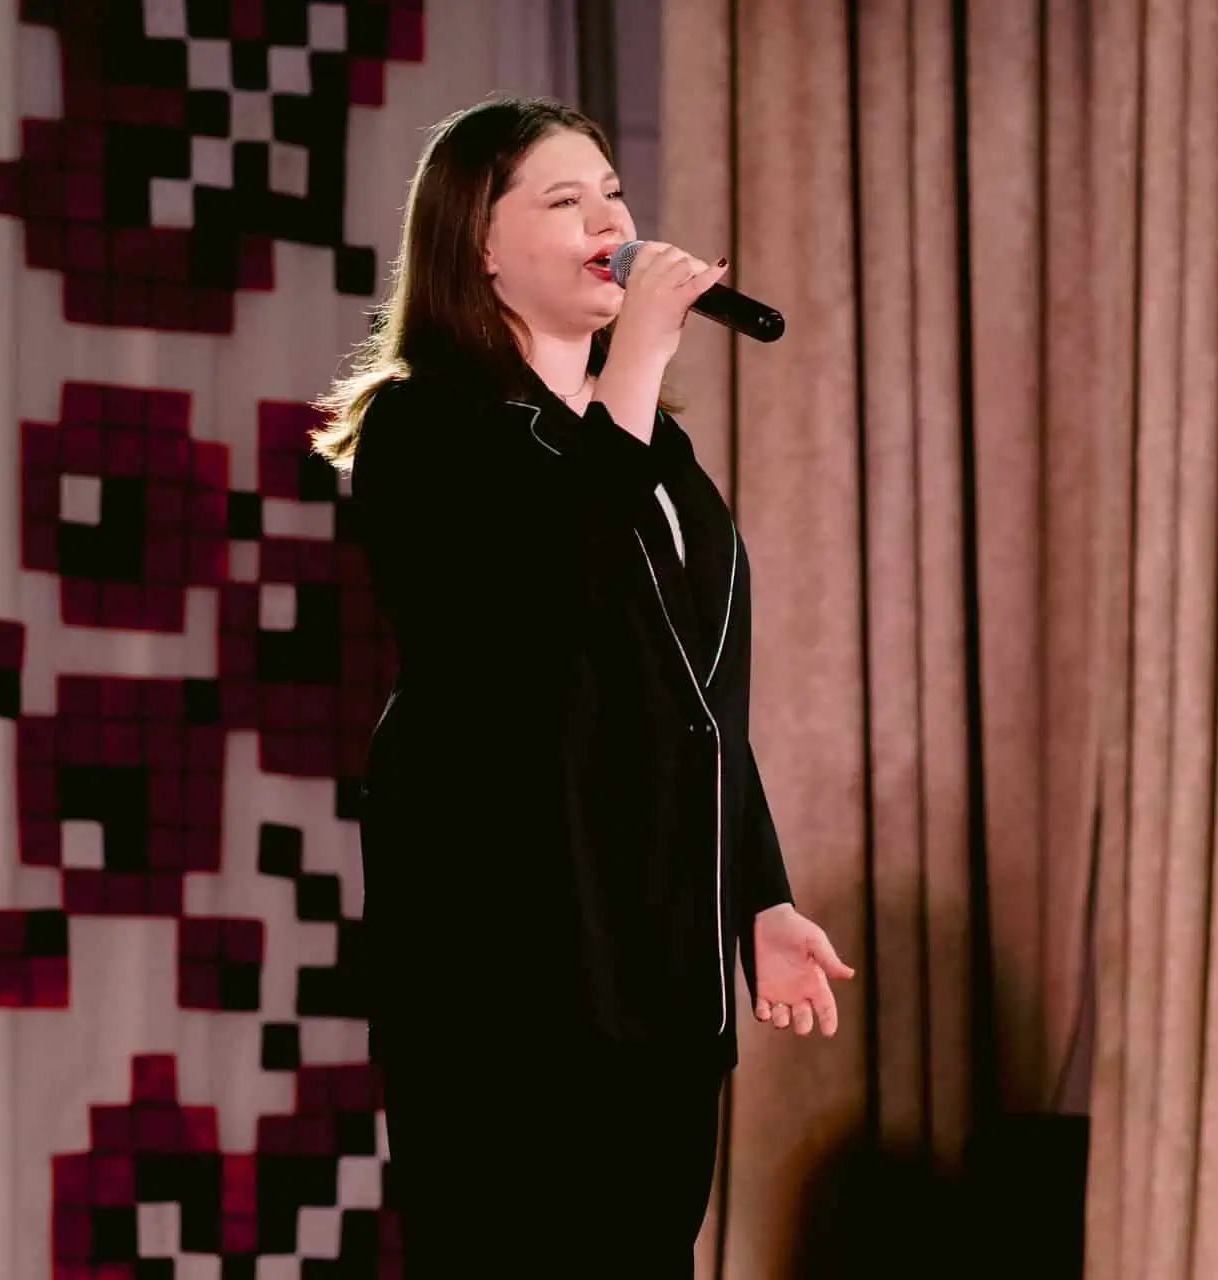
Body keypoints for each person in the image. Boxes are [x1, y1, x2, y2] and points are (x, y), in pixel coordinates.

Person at [313, 97, 854, 1277]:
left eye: (613, 192)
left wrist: (756, 896)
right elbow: (558, 588)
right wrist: (640, 359)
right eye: (566, 200)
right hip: (511, 954)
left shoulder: (657, 453)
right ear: (478, 245)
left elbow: (692, 693)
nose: (612, 222)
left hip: (657, 954)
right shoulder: (427, 425)